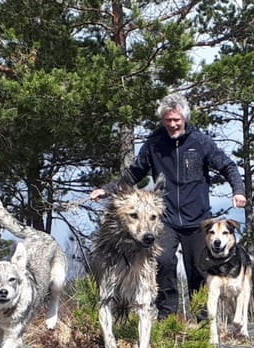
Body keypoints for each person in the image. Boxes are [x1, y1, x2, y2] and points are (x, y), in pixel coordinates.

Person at [90, 93, 246, 320]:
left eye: (177, 120)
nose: (172, 124)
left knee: (198, 270)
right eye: (168, 120)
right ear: (162, 120)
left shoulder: (200, 142)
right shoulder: (154, 145)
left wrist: (238, 190)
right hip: (166, 220)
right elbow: (134, 173)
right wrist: (108, 188)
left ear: (184, 118)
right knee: (163, 262)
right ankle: (167, 316)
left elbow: (227, 166)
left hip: (198, 219)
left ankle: (202, 321)